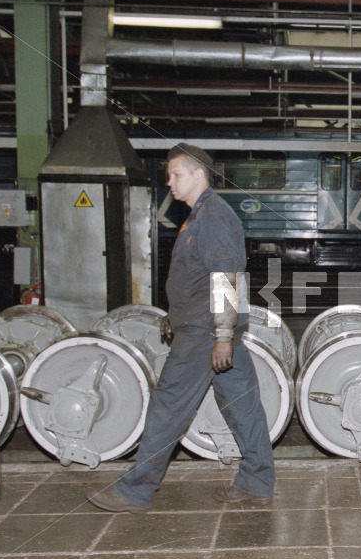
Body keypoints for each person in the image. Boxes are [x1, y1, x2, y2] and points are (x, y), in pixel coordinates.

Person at [88, 143, 275, 512]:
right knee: (243, 407)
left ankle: (135, 490)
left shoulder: (213, 216)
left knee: (168, 405)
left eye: (174, 174)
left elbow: (227, 279)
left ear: (197, 173)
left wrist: (221, 336)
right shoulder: (198, 216)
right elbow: (198, 277)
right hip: (206, 329)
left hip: (207, 334)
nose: (169, 182)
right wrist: (175, 314)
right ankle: (257, 482)